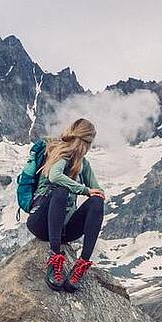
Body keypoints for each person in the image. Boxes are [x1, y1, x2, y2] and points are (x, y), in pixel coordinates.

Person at [26, 117, 105, 292]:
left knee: (97, 201)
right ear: (87, 141)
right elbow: (55, 176)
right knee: (60, 190)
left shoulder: (83, 164)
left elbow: (96, 190)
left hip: (64, 230)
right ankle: (55, 257)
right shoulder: (61, 153)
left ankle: (82, 264)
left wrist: (94, 193)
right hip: (40, 224)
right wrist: (84, 190)